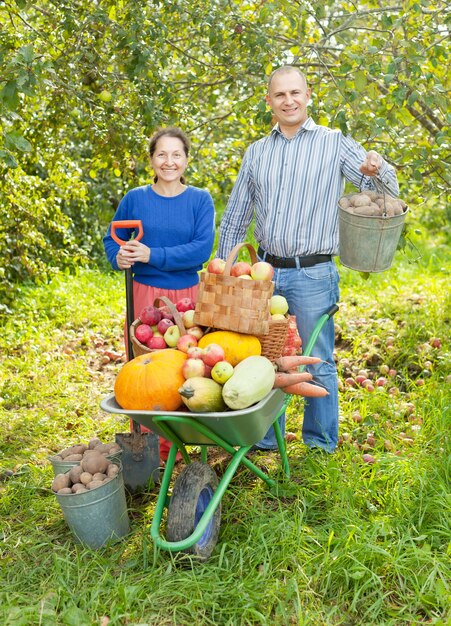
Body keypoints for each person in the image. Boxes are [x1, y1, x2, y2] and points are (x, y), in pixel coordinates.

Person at [217, 66, 399, 453]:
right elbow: (236, 216)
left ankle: (319, 444)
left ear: (308, 95)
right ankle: (265, 438)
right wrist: (223, 273)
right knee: (260, 358)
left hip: (313, 271)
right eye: (280, 95)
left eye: (295, 93)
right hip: (262, 273)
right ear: (269, 102)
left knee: (317, 358)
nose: (289, 100)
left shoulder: (334, 142)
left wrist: (376, 168)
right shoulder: (257, 152)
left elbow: (382, 192)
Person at [104, 126, 215, 460]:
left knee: (188, 365)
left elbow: (201, 250)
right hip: (145, 296)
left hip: (187, 296)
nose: (169, 162)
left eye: (176, 154)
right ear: (152, 159)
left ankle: (188, 436)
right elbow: (113, 239)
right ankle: (155, 446)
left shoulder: (200, 200)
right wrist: (119, 256)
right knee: (147, 367)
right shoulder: (135, 199)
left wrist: (153, 255)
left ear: (186, 159)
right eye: (162, 154)